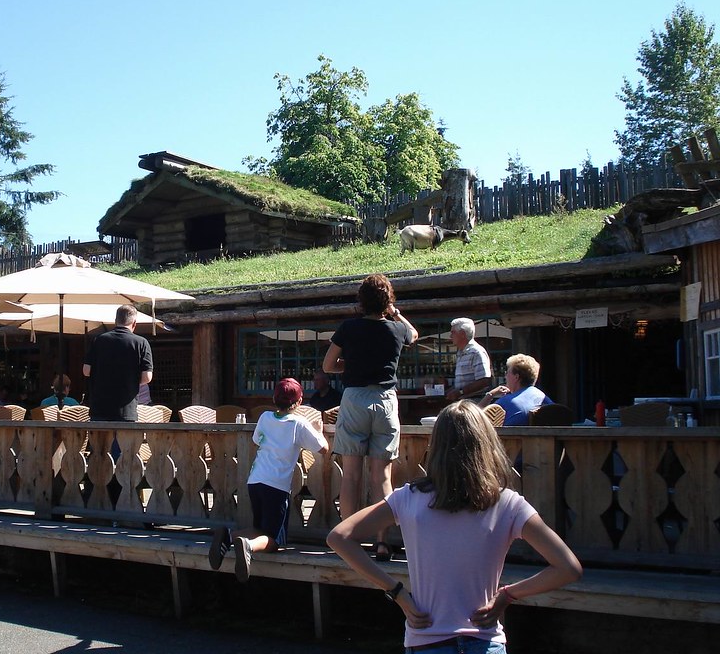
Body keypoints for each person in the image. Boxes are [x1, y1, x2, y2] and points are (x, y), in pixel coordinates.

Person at [327, 400, 582, 653]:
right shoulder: (508, 503)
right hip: (485, 642)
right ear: (487, 444)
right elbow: (568, 568)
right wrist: (507, 595)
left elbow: (339, 537)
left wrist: (397, 592)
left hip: (427, 641)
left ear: (436, 445)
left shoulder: (408, 498)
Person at [322, 273, 418, 560]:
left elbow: (328, 366)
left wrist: (351, 365)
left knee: (351, 475)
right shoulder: (397, 329)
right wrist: (396, 313)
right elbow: (413, 335)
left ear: (361, 301)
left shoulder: (348, 328)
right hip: (386, 400)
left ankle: (347, 538)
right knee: (382, 477)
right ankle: (382, 541)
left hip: (355, 399)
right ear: (387, 301)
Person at [208, 377, 328, 582]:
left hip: (256, 481)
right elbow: (323, 448)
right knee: (274, 540)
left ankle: (229, 537)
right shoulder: (298, 423)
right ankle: (248, 546)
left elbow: (257, 439)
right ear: (299, 402)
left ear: (274, 399)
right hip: (277, 486)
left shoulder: (264, 417)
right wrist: (318, 429)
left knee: (260, 529)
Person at [83, 305, 153, 422]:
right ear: (134, 323)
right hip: (126, 410)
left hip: (99, 409)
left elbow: (86, 371)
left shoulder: (98, 340)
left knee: (99, 435)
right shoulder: (141, 343)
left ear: (116, 321)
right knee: (125, 435)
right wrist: (130, 381)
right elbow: (147, 377)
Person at [479, 354, 553, 426]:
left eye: (507, 372)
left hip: (510, 435)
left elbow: (475, 420)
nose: (505, 376)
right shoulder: (545, 398)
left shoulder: (506, 401)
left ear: (516, 377)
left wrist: (490, 395)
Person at [445, 318, 493, 402]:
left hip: (475, 402)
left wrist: (460, 392)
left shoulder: (476, 352)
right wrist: (452, 390)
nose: (450, 336)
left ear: (462, 334)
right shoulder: (461, 352)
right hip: (465, 401)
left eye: (453, 332)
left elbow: (484, 381)